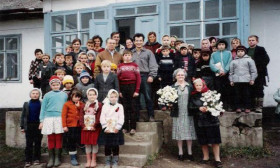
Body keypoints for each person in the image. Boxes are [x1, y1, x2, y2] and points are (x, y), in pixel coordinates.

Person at [189, 78, 222, 168]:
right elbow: (190, 108)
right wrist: (198, 109)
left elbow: (217, 105)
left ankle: (217, 159)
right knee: (203, 141)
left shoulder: (210, 94)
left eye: (200, 85)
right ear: (194, 86)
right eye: (197, 85)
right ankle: (206, 157)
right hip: (200, 121)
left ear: (203, 85)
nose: (199, 87)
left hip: (211, 120)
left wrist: (210, 108)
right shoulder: (193, 96)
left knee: (215, 141)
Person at [39, 75, 68, 168]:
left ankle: (57, 158)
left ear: (60, 85)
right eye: (53, 85)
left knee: (58, 137)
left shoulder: (64, 95)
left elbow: (66, 108)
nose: (55, 86)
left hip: (59, 118)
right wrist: (41, 121)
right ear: (50, 86)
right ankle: (51, 158)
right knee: (50, 138)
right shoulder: (47, 95)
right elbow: (43, 109)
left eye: (57, 84)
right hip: (49, 118)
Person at [170, 69, 196, 161]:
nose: (180, 76)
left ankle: (190, 152)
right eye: (178, 75)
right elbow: (170, 100)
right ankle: (180, 152)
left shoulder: (190, 86)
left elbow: (194, 99)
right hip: (178, 112)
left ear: (185, 76)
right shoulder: (172, 87)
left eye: (182, 75)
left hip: (188, 112)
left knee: (189, 133)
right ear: (175, 76)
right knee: (179, 132)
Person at [132, 33, 158, 122]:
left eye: (140, 41)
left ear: (143, 41)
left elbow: (153, 65)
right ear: (134, 42)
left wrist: (152, 76)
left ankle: (151, 116)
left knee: (148, 97)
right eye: (137, 41)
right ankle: (138, 117)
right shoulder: (131, 53)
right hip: (134, 77)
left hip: (145, 76)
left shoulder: (148, 52)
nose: (138, 42)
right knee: (136, 98)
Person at [98, 89, 124, 168]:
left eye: (115, 97)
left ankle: (115, 161)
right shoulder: (105, 106)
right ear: (109, 97)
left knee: (116, 145)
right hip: (107, 130)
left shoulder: (120, 106)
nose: (113, 98)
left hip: (116, 130)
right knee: (107, 145)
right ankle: (107, 162)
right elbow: (102, 117)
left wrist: (118, 127)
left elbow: (121, 117)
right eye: (112, 97)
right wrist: (105, 127)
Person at [117, 50, 141, 134]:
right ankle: (125, 127)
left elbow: (138, 78)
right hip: (123, 87)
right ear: (123, 56)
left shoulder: (135, 65)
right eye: (125, 55)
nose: (127, 56)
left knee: (133, 108)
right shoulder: (120, 66)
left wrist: (137, 90)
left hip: (132, 86)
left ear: (131, 56)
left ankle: (133, 128)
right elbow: (117, 79)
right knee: (124, 108)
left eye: (129, 55)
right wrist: (119, 91)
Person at [229, 45, 258, 113]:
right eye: (238, 51)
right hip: (237, 81)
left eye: (242, 51)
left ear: (245, 52)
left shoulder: (249, 60)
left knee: (247, 95)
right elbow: (231, 72)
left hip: (246, 81)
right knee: (237, 95)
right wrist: (231, 80)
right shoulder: (233, 61)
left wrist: (252, 79)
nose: (240, 53)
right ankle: (238, 107)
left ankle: (247, 107)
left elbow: (253, 71)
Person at [80, 88, 102, 168]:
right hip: (86, 128)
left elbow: (99, 116)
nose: (92, 96)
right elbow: (81, 117)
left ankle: (94, 160)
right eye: (90, 94)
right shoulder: (84, 105)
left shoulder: (99, 105)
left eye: (93, 94)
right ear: (87, 96)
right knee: (87, 144)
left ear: (96, 95)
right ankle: (88, 160)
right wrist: (83, 126)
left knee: (94, 143)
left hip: (95, 128)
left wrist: (94, 125)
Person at [247, 35, 270, 113]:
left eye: (253, 40)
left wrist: (258, 68)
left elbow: (266, 59)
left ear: (257, 41)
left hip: (259, 73)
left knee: (259, 89)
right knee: (250, 89)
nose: (251, 41)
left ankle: (259, 107)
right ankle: (252, 106)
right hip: (248, 74)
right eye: (249, 40)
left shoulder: (261, 49)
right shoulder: (246, 50)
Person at [20, 88, 43, 167]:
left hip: (38, 126)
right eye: (33, 93)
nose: (35, 95)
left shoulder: (41, 103)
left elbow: (43, 114)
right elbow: (23, 116)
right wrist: (22, 126)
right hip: (29, 126)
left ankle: (37, 159)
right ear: (30, 95)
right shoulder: (26, 103)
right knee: (29, 143)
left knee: (37, 143)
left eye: (37, 93)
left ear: (39, 95)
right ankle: (28, 160)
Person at [62, 89, 84, 166]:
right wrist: (64, 126)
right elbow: (63, 115)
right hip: (70, 126)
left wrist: (78, 107)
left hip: (79, 126)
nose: (77, 99)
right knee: (71, 141)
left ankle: (82, 147)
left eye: (78, 97)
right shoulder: (67, 104)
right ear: (71, 96)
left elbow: (83, 113)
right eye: (75, 97)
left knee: (79, 138)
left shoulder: (81, 104)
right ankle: (73, 157)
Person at [210, 39, 232, 110]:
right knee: (218, 89)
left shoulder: (228, 53)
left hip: (226, 74)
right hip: (217, 75)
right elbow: (211, 64)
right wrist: (217, 70)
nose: (221, 46)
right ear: (217, 46)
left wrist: (225, 70)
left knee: (227, 90)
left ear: (225, 46)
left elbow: (230, 62)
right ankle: (218, 105)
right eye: (219, 45)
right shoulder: (214, 54)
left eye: (223, 45)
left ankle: (227, 106)